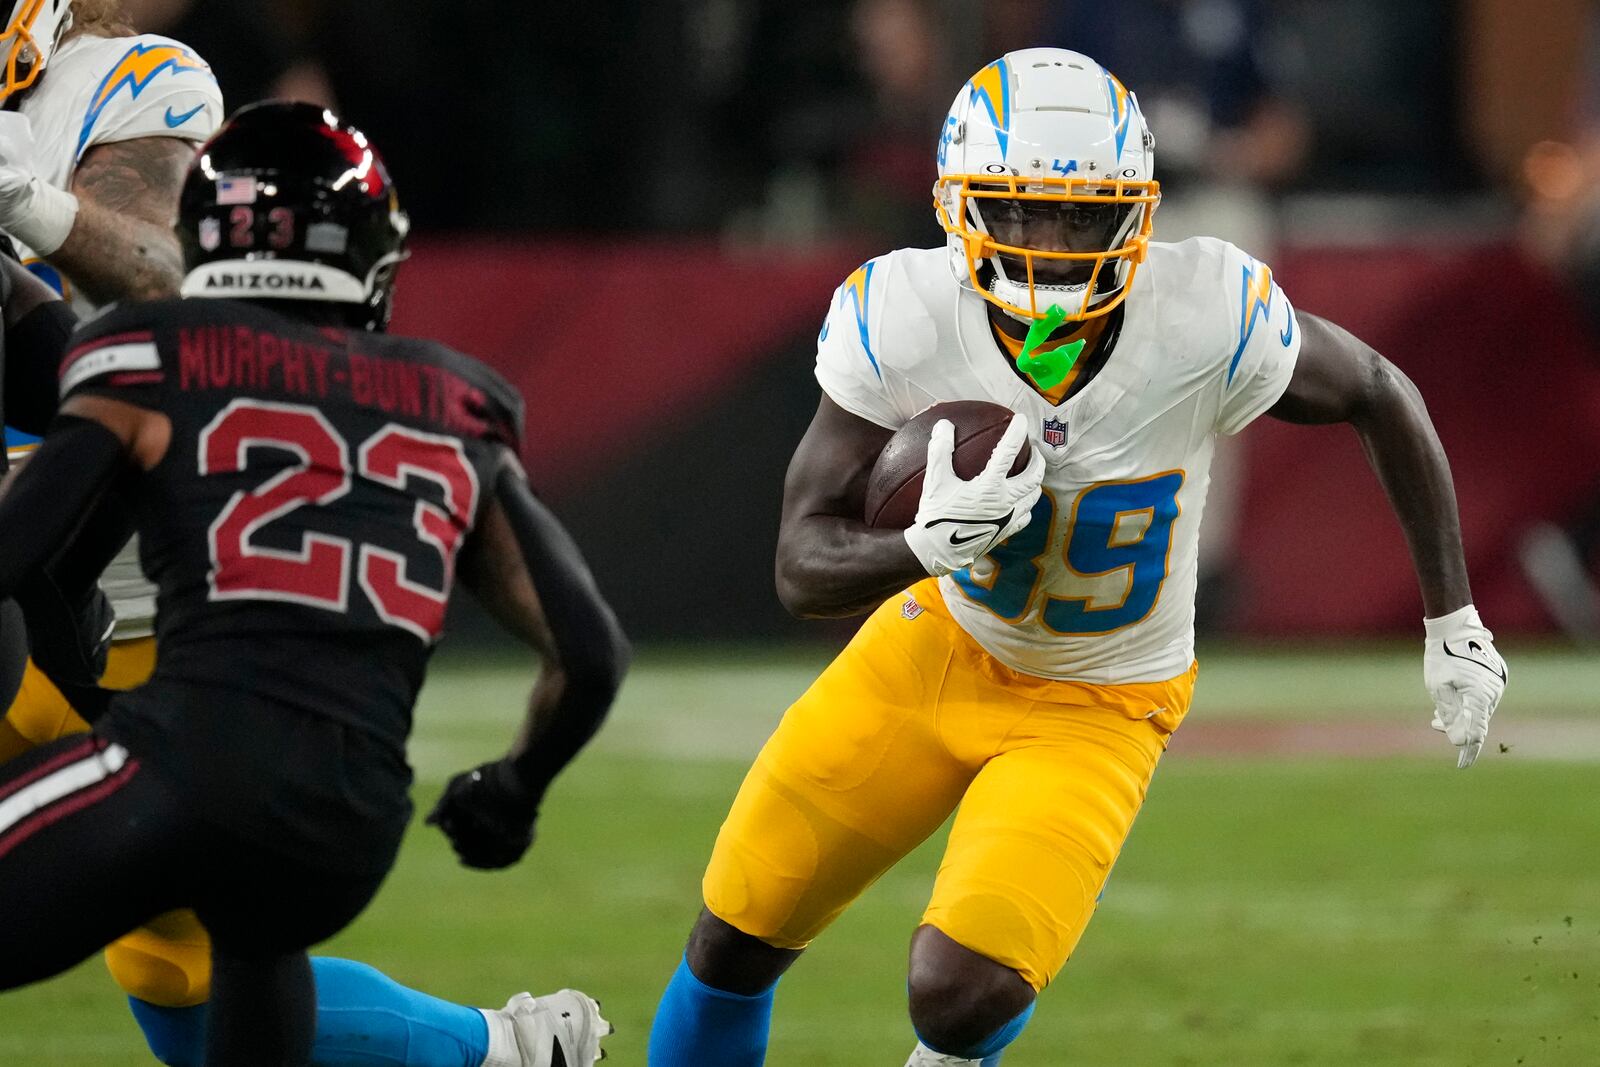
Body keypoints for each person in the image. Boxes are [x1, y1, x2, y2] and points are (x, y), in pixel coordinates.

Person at [647, 47, 1508, 1067]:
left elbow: (1375, 387)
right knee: (734, 934)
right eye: (1015, 211)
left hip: (1099, 701)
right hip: (938, 650)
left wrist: (1452, 617)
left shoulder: (1201, 314)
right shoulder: (904, 314)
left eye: (1079, 214)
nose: (1049, 245)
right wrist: (922, 545)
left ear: (1136, 213)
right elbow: (801, 561)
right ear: (956, 206)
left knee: (955, 994)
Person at [0, 101, 625, 1067]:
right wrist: (512, 788)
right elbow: (589, 653)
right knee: (237, 959)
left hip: (184, 764)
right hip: (349, 820)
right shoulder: (456, 397)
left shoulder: (153, 361)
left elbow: (18, 554)